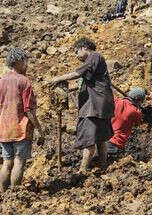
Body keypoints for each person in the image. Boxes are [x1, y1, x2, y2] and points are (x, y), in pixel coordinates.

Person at [49, 37, 115, 172]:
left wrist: (58, 78)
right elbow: (86, 80)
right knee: (101, 138)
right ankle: (102, 165)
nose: (76, 55)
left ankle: (83, 170)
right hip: (101, 105)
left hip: (94, 106)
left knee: (89, 139)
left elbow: (79, 72)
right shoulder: (98, 61)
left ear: (84, 47)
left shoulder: (94, 56)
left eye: (76, 51)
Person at [0, 48, 45, 192]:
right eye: (25, 61)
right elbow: (28, 110)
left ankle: (2, 193)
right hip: (20, 129)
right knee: (19, 161)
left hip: (4, 129)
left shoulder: (0, 82)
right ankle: (14, 194)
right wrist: (40, 130)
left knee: (7, 162)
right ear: (18, 62)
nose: (26, 65)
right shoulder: (24, 81)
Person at [106, 87, 145, 156]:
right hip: (115, 145)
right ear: (139, 101)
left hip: (103, 141)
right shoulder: (136, 112)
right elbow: (138, 123)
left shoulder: (116, 101)